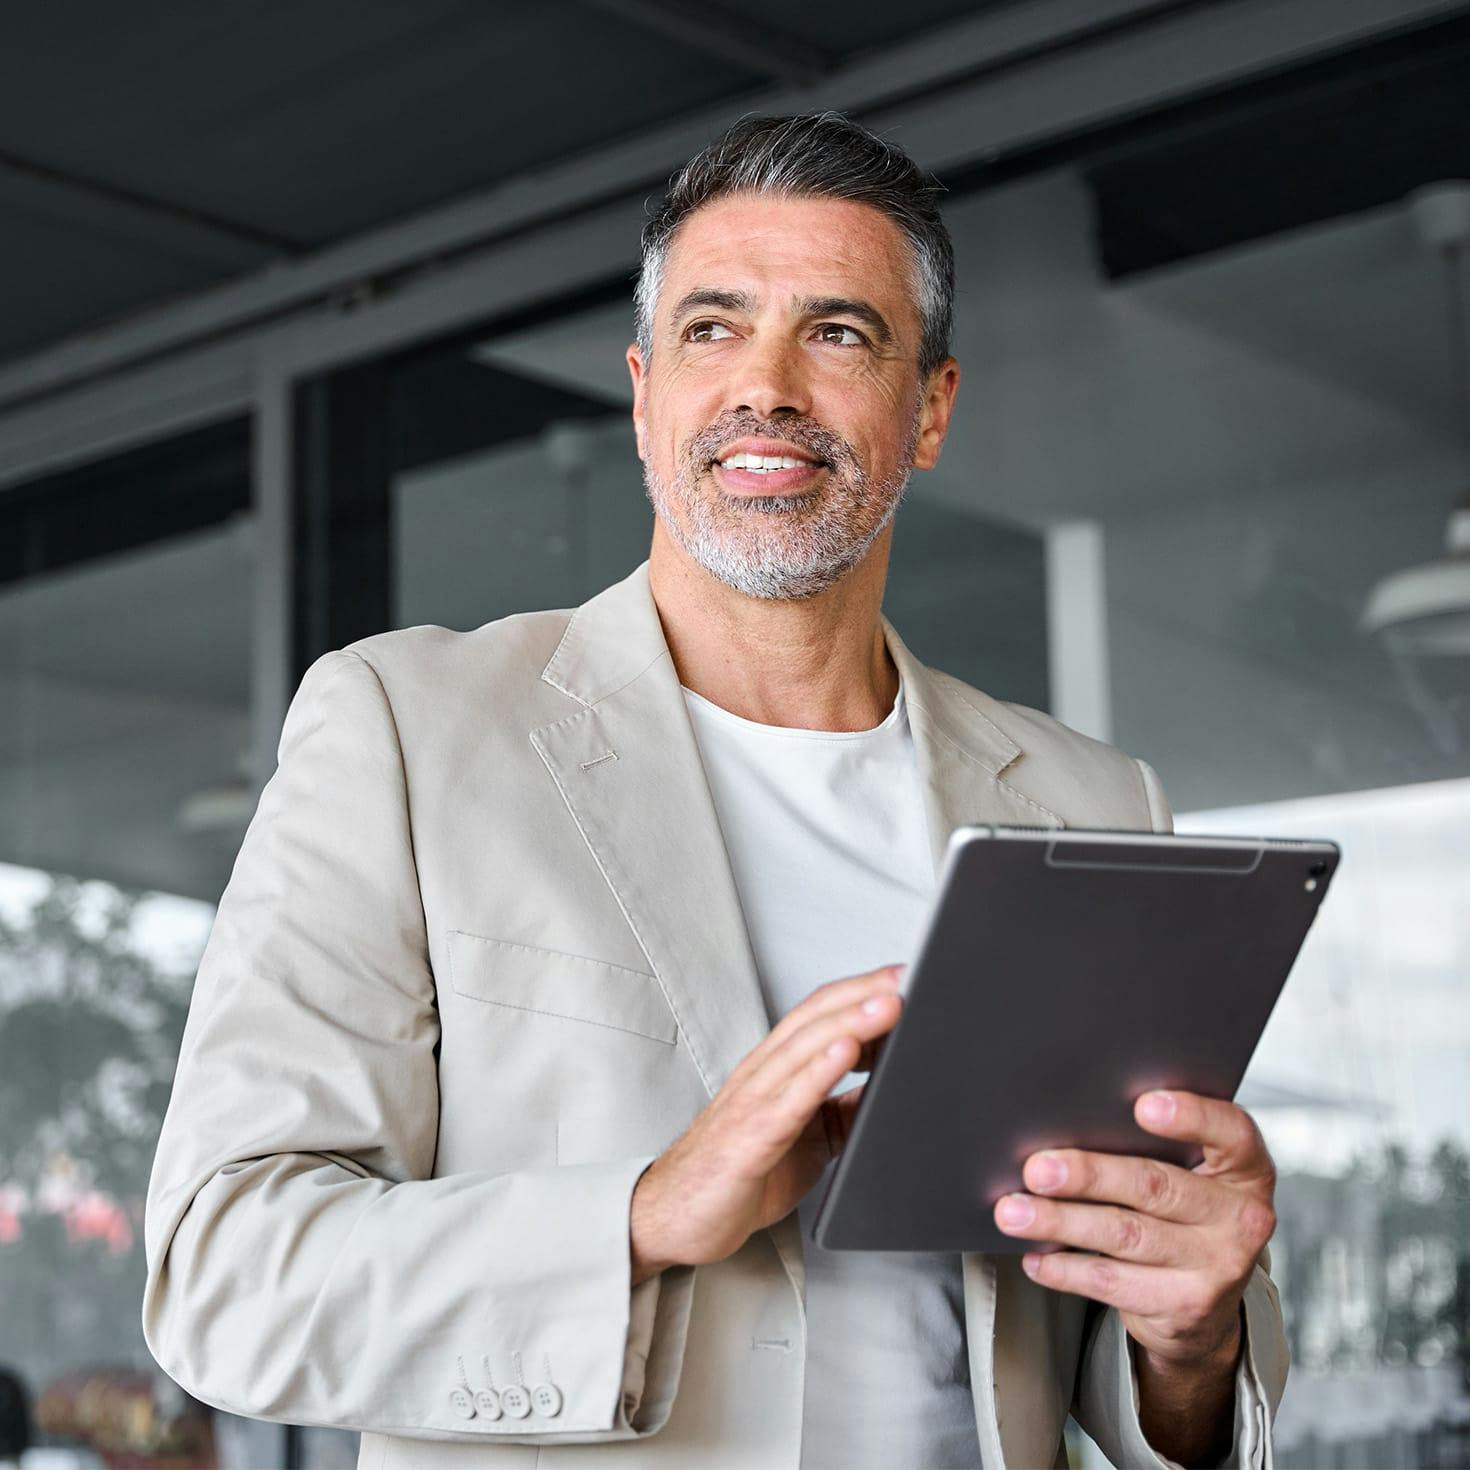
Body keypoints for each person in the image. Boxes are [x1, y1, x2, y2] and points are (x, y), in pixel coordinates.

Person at [142, 112, 1286, 1468]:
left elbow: (1132, 1339)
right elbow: (223, 1275)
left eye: (837, 333)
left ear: (929, 408)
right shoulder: (406, 729)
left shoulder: (1096, 804)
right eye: (711, 328)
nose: (767, 386)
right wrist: (644, 1211)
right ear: (642, 397)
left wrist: (1194, 1342)